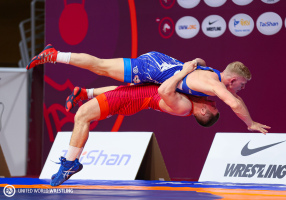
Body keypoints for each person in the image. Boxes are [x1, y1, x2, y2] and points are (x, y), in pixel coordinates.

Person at [26, 44, 270, 134]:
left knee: (127, 91)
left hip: (160, 68)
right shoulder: (215, 86)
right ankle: (55, 55)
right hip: (152, 68)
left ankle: (85, 93)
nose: (241, 89)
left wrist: (194, 64)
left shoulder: (212, 73)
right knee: (100, 67)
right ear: (233, 80)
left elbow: (200, 62)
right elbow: (235, 103)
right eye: (242, 85)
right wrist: (250, 123)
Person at [50, 61, 219, 186]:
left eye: (213, 107)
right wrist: (198, 64)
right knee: (119, 90)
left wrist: (183, 71)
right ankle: (85, 93)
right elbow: (200, 67)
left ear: (203, 112)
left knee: (82, 115)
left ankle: (70, 164)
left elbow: (164, 90)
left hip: (129, 100)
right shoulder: (195, 98)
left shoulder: (185, 107)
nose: (214, 102)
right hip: (133, 93)